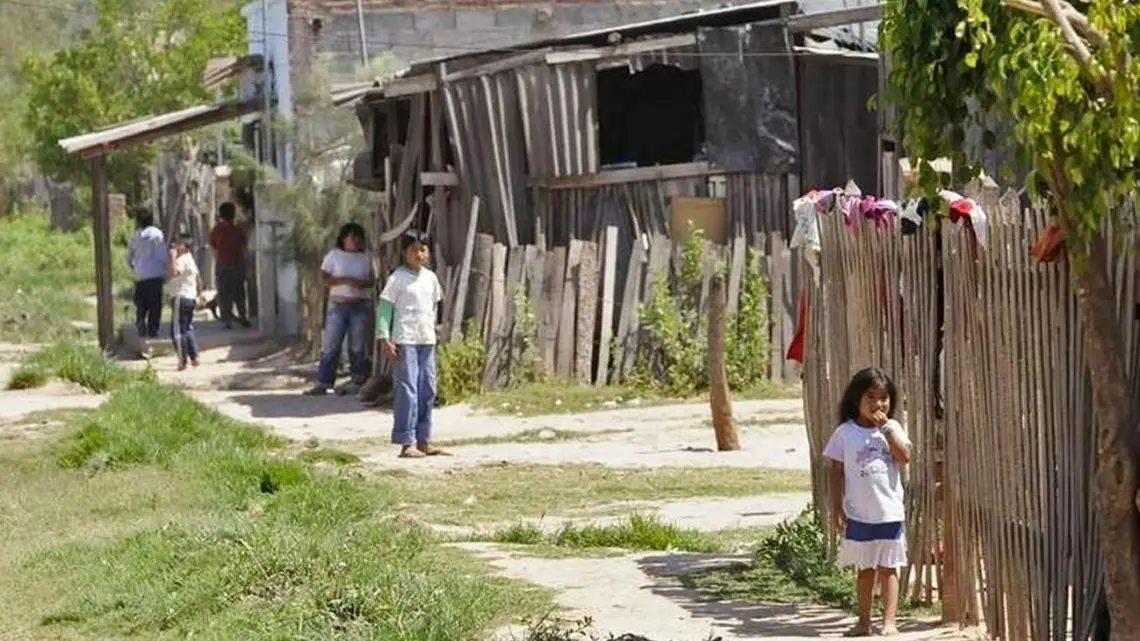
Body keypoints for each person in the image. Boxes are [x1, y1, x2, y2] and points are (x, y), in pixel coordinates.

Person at [823, 367, 912, 637]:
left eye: (883, 398)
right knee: (865, 569)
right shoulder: (845, 433)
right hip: (859, 514)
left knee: (889, 569)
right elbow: (836, 471)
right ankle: (863, 621)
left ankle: (889, 621)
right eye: (870, 397)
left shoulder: (892, 428)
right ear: (856, 399)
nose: (878, 404)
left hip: (889, 513)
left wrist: (886, 430)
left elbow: (904, 456)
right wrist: (836, 507)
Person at [377, 230, 444, 459]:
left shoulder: (431, 278)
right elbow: (385, 309)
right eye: (414, 249)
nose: (419, 254)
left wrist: (434, 331)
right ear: (405, 252)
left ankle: (424, 440)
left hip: (426, 340)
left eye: (422, 249)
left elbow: (433, 308)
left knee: (428, 389)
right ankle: (407, 443)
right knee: (408, 390)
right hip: (405, 340)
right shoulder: (397, 278)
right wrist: (385, 338)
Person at [304, 223, 375, 396]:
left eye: (358, 237)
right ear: (343, 239)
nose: (355, 240)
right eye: (351, 236)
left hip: (360, 305)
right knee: (331, 345)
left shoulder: (366, 257)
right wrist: (345, 280)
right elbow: (324, 279)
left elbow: (372, 280)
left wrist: (359, 284)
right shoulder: (334, 256)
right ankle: (323, 382)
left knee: (357, 345)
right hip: (338, 305)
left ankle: (357, 379)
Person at [208, 201, 251, 329]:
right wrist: (246, 266)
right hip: (237, 265)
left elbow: (212, 247)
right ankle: (242, 316)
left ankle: (226, 319)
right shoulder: (238, 230)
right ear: (233, 214)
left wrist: (218, 259)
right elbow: (244, 249)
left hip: (223, 265)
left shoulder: (217, 230)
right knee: (239, 292)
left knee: (224, 293)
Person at [127, 207, 167, 339]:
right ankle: (152, 330)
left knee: (141, 303)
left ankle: (140, 322)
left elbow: (129, 257)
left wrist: (135, 268)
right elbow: (162, 255)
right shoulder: (157, 234)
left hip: (140, 276)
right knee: (155, 305)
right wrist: (165, 270)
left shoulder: (134, 236)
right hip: (155, 275)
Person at [167, 234, 202, 371]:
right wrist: (199, 294)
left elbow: (173, 273)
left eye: (177, 243)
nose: (174, 246)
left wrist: (172, 257)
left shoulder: (181, 260)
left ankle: (182, 359)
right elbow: (198, 279)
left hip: (180, 297)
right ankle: (194, 356)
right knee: (187, 328)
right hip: (190, 297)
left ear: (183, 246)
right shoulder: (190, 259)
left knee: (177, 331)